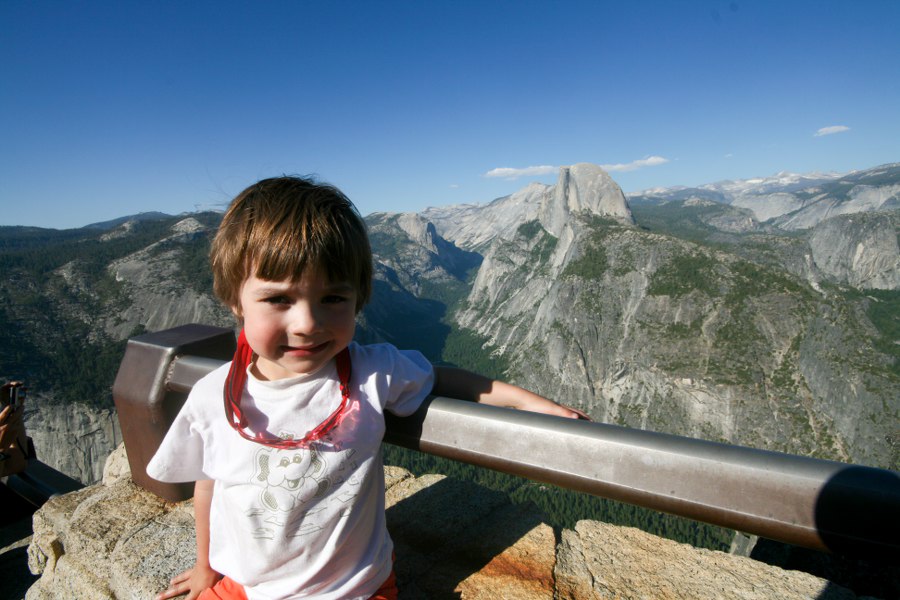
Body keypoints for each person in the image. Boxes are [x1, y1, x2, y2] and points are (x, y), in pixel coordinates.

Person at [148, 176, 586, 600]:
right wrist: (207, 566)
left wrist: (535, 404)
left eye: (333, 299)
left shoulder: (372, 372)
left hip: (354, 588)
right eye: (279, 299)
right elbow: (209, 485)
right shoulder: (213, 397)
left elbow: (446, 376)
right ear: (234, 300)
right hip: (246, 586)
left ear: (358, 298)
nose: (307, 324)